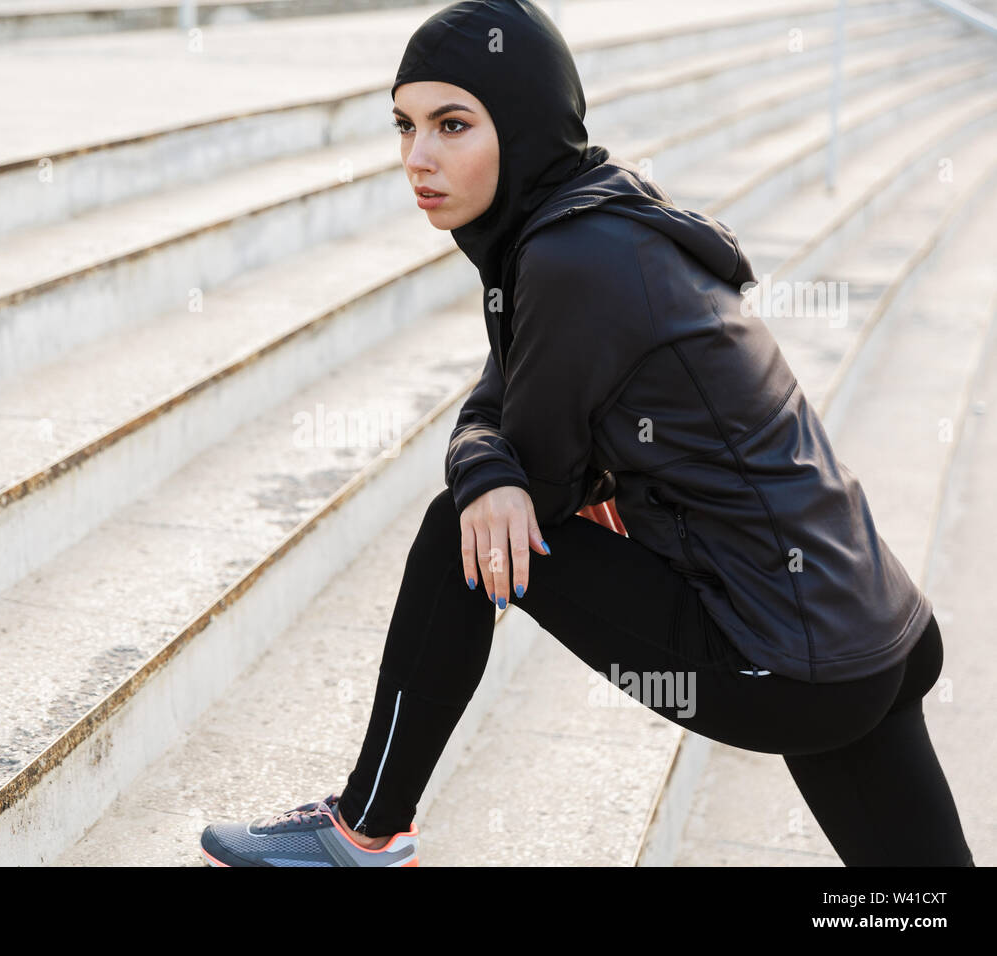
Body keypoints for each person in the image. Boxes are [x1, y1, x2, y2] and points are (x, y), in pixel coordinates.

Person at [199, 0, 975, 867]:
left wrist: (494, 470)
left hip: (786, 659)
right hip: (874, 633)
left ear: (523, 124)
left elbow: (533, 477)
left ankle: (366, 830)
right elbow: (503, 401)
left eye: (452, 124)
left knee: (457, 536)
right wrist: (498, 459)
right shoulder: (599, 218)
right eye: (405, 125)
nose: (418, 158)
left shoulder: (572, 260)